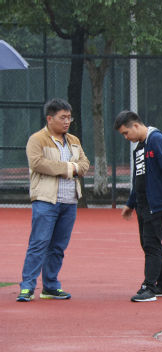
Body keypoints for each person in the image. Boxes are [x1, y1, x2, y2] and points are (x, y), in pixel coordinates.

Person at [16, 98, 90, 302]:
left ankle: (50, 286)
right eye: (62, 117)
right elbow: (38, 163)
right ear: (50, 119)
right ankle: (27, 287)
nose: (67, 122)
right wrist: (69, 168)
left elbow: (84, 164)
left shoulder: (74, 140)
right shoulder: (37, 139)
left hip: (70, 201)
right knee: (39, 243)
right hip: (45, 200)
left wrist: (74, 168)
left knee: (58, 247)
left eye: (69, 117)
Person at [114, 111, 162, 302]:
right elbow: (138, 177)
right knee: (150, 243)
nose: (126, 138)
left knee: (151, 244)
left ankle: (149, 287)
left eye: (126, 133)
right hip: (143, 203)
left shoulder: (156, 140)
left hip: (158, 203)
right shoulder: (139, 147)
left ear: (135, 126)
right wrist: (131, 203)